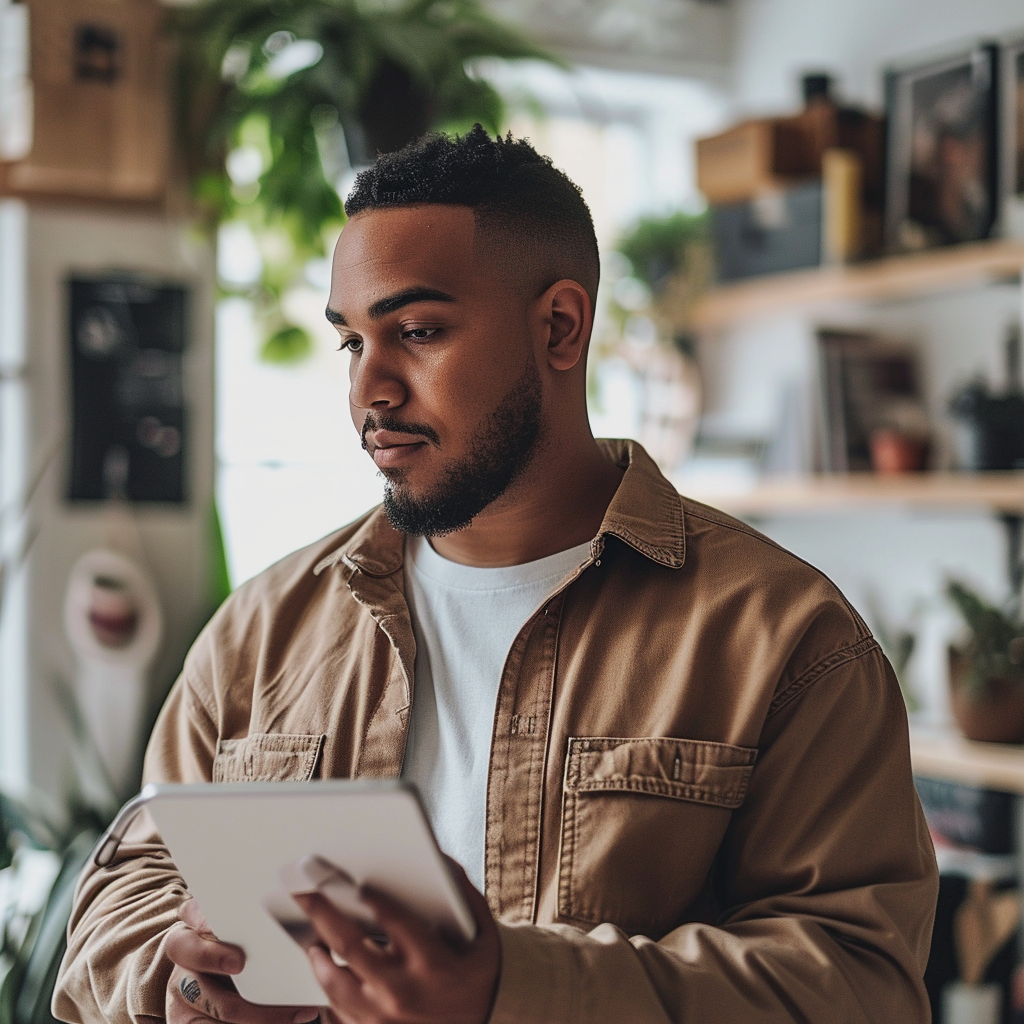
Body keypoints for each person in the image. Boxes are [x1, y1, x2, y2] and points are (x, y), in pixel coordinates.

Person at [54, 126, 938, 1024]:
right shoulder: (261, 631)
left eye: (419, 331)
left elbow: (858, 985)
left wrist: (510, 991)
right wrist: (193, 987)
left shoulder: (787, 640)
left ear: (560, 326)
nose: (371, 391)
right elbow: (120, 899)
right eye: (353, 343)